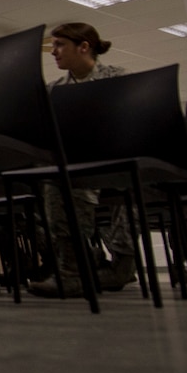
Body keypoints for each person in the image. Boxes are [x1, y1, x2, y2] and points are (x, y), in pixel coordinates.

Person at [29, 22, 134, 299]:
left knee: (120, 183)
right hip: (76, 164)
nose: (53, 52)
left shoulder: (117, 79)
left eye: (60, 44)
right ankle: (73, 268)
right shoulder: (55, 90)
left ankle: (121, 266)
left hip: (115, 159)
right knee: (49, 175)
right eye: (53, 46)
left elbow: (131, 126)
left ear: (84, 46)